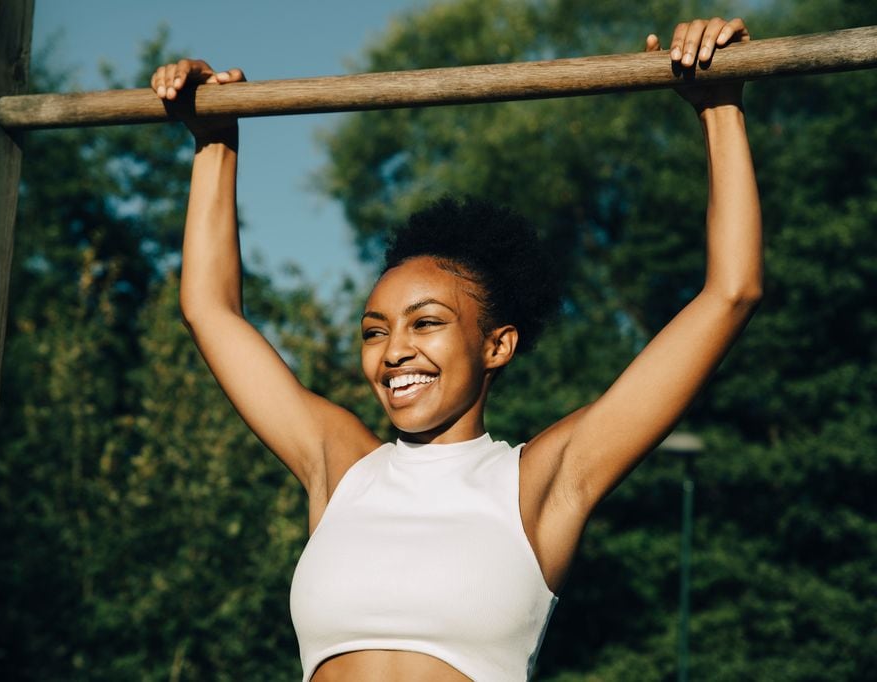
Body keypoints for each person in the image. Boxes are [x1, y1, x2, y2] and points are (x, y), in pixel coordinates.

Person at [151, 16, 760, 682]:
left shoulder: (539, 484)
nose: (394, 352)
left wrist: (719, 107)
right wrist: (214, 142)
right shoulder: (340, 467)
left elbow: (730, 293)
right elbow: (208, 310)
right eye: (375, 330)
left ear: (498, 345)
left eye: (426, 323)